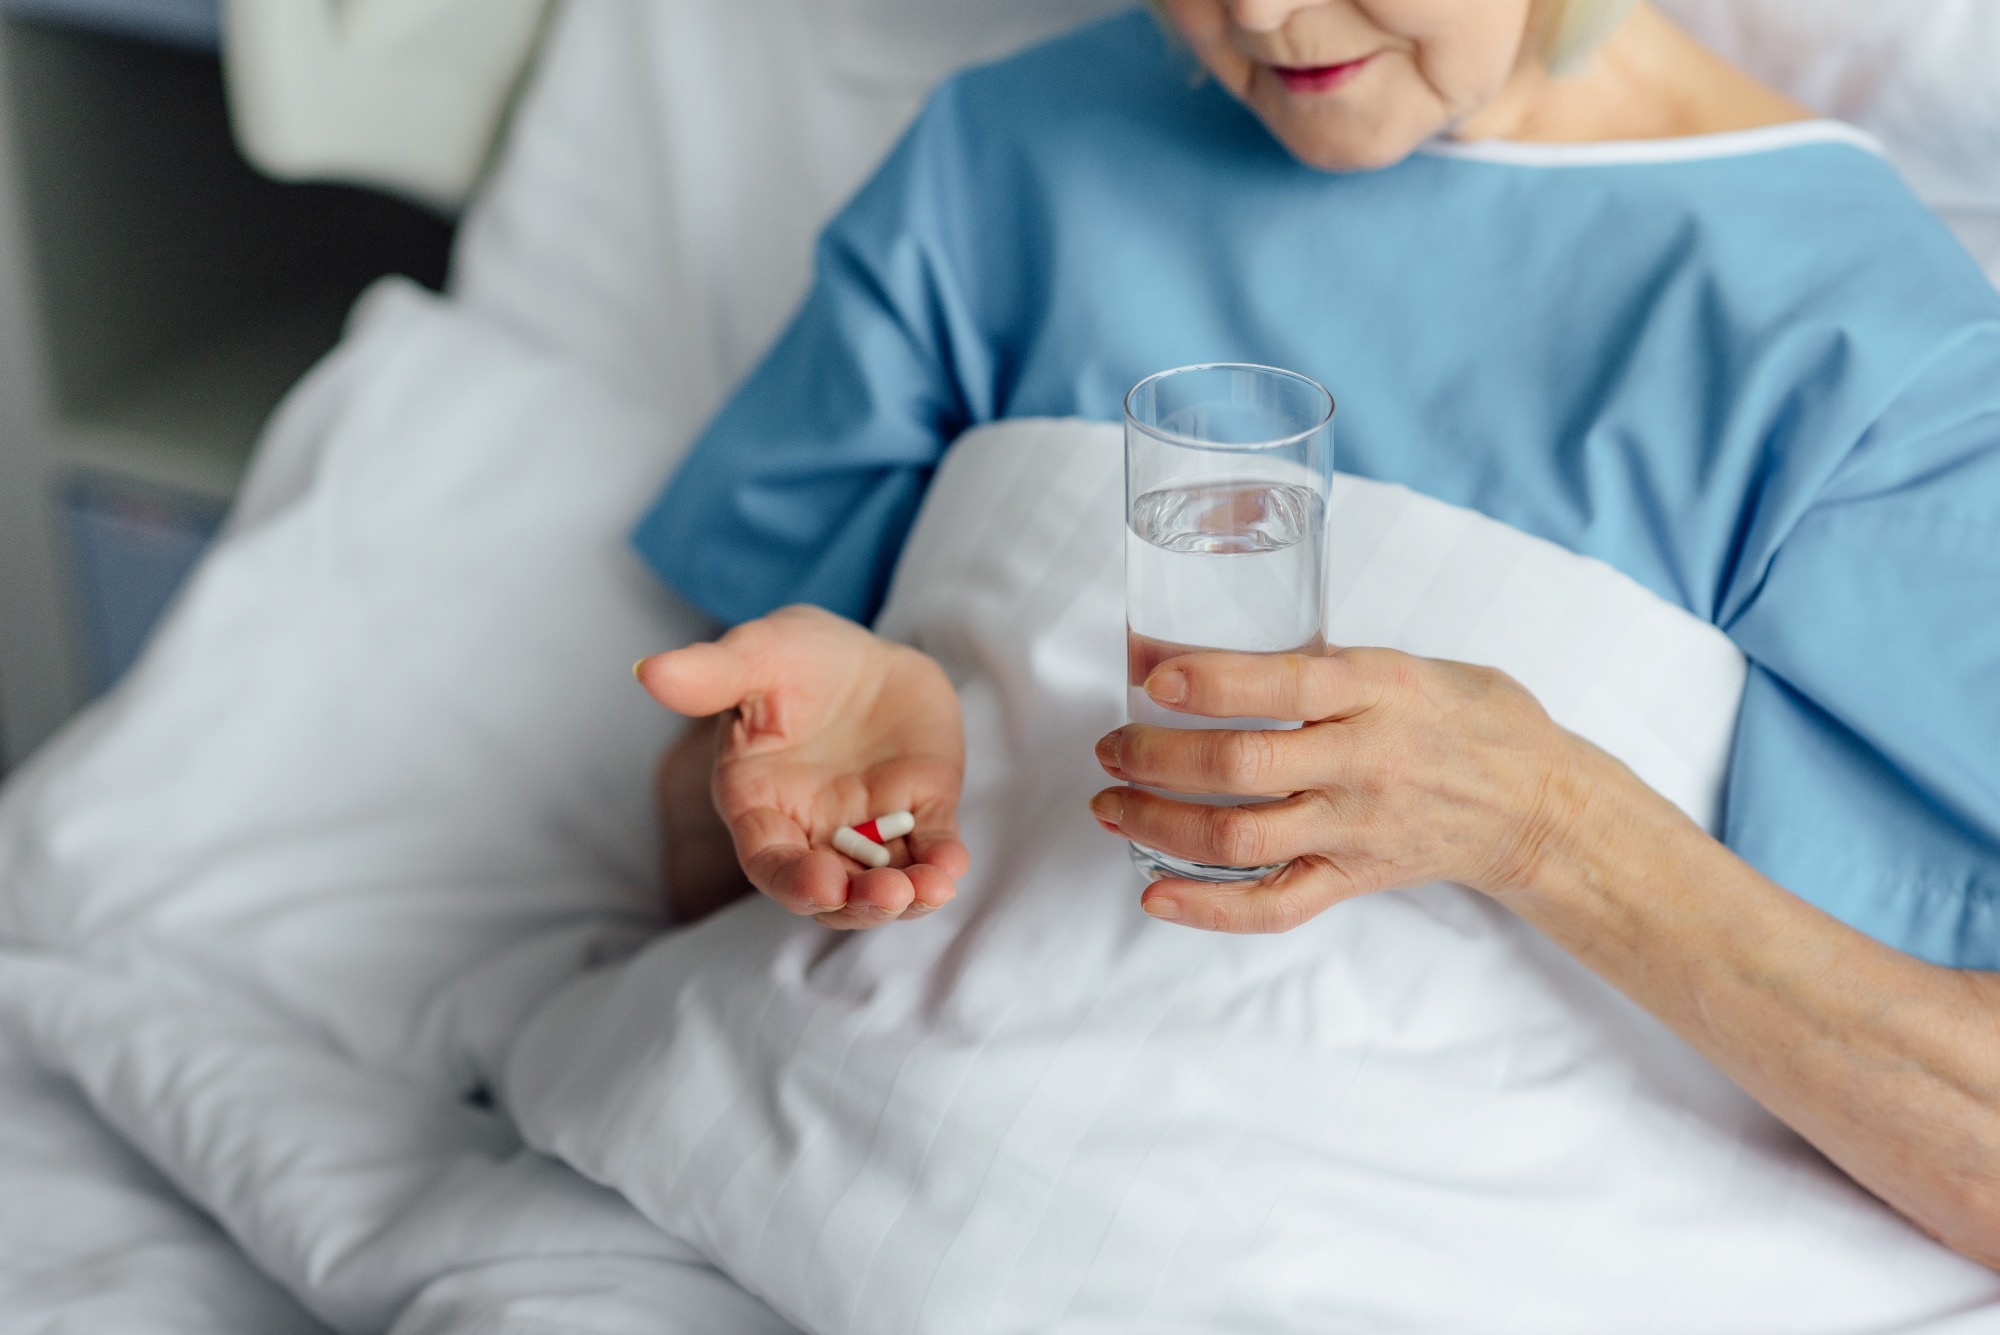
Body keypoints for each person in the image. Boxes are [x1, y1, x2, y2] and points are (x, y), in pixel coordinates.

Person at [631, 0, 2000, 1266]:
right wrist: (793, 787)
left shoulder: (1875, 366)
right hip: (820, 1200)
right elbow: (702, 881)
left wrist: (1550, 827)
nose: (1268, 19)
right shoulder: (1006, 160)